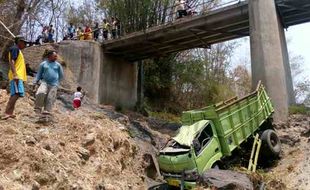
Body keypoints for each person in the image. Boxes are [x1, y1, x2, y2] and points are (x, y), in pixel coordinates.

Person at [1, 36, 28, 120]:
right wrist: (15, 74)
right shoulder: (15, 49)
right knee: (16, 94)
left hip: (18, 76)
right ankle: (7, 113)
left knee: (16, 94)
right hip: (16, 76)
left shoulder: (18, 50)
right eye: (24, 42)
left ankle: (10, 112)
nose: (25, 44)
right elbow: (12, 62)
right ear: (19, 41)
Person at [33, 50, 64, 114]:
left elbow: (61, 75)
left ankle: (47, 111)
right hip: (44, 82)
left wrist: (58, 83)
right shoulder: (43, 64)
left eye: (56, 56)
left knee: (50, 97)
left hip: (54, 84)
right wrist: (35, 82)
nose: (56, 57)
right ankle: (38, 108)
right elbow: (39, 74)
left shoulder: (58, 65)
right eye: (55, 56)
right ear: (50, 56)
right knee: (40, 93)